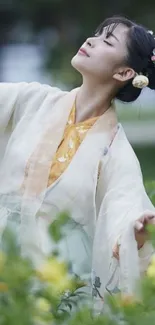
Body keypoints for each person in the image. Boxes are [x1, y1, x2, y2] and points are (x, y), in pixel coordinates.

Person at [0, 15, 154, 311]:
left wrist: (135, 232)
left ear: (123, 72)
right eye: (96, 34)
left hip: (52, 275)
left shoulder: (116, 152)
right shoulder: (33, 100)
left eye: (107, 41)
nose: (91, 40)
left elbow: (125, 208)